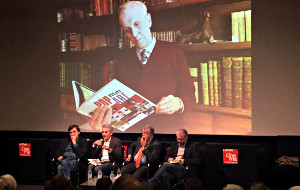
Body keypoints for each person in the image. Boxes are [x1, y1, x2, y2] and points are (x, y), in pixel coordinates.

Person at [87, 1, 195, 133]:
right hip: (134, 134)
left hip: (167, 132)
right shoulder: (123, 58)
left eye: (137, 24)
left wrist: (178, 103)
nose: (135, 34)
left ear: (148, 20)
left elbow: (190, 94)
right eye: (127, 30)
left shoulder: (174, 52)